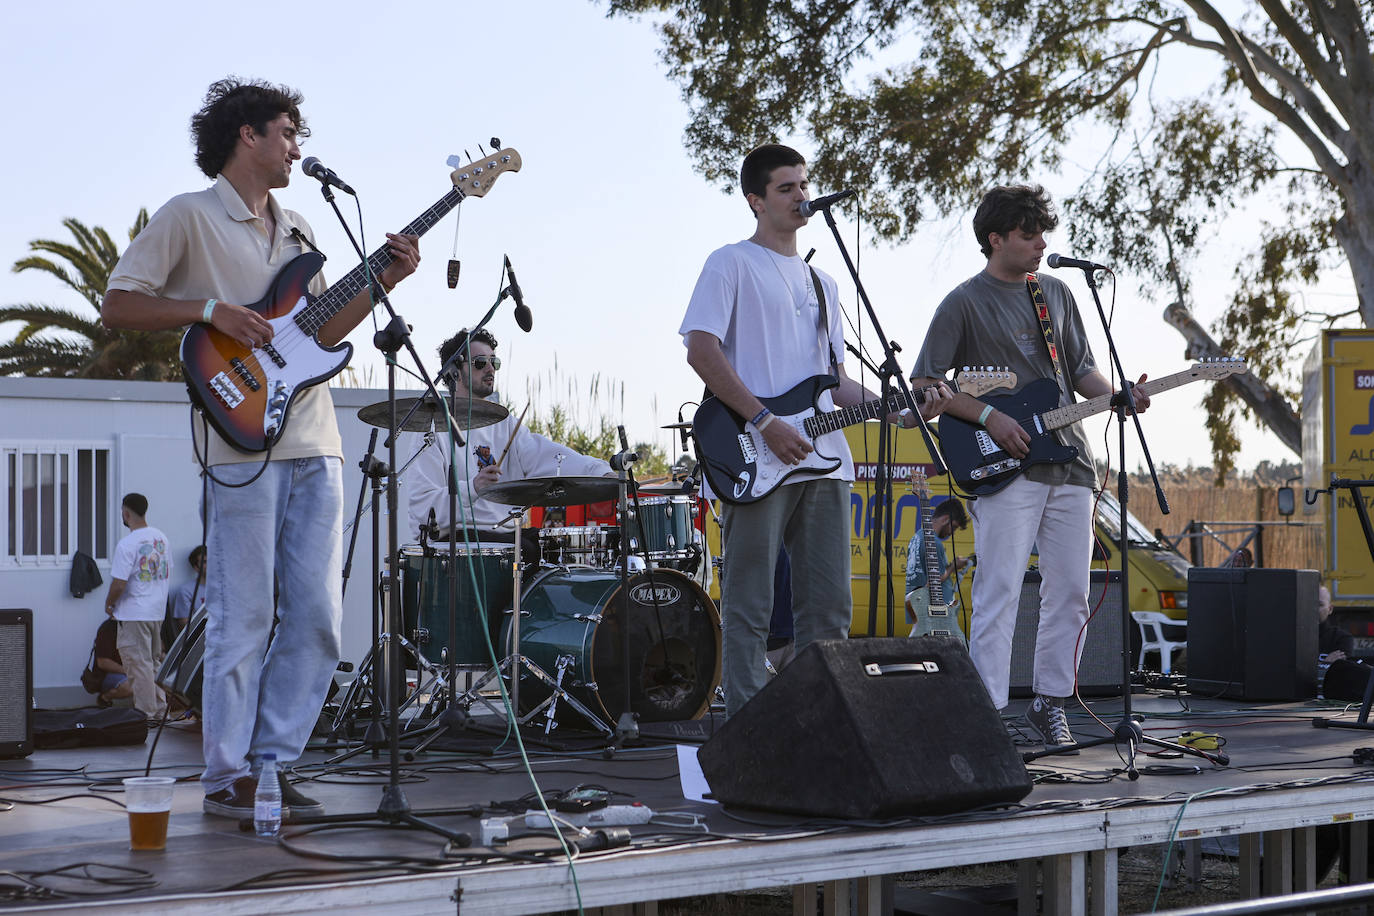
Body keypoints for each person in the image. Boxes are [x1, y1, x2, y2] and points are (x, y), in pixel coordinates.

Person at [101, 78, 420, 819]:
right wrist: (211, 310)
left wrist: (385, 279)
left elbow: (318, 336)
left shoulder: (304, 228)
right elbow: (119, 302)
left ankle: (272, 765)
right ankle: (225, 773)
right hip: (239, 447)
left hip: (316, 441)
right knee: (242, 617)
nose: (296, 148)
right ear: (247, 135)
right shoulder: (189, 215)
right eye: (286, 133)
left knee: (316, 616)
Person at [680, 143, 950, 717]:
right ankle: (751, 722)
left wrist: (898, 409)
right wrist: (764, 421)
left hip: (826, 458)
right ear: (755, 200)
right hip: (755, 451)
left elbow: (834, 383)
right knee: (752, 600)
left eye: (804, 185)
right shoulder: (730, 263)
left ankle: (818, 715)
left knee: (829, 606)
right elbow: (701, 351)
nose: (802, 196)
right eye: (786, 188)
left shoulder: (825, 282)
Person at [910, 184, 1149, 751]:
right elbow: (925, 385)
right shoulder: (963, 302)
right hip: (1005, 468)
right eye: (1028, 234)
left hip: (1072, 464)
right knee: (1000, 591)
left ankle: (1049, 704)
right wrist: (989, 416)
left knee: (1069, 591)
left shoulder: (1058, 294)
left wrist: (1121, 395)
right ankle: (989, 714)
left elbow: (1083, 373)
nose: (1042, 243)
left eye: (1043, 232)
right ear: (996, 239)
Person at [405, 327, 611, 542]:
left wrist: (600, 472)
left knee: (553, 546)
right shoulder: (432, 429)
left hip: (508, 538)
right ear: (454, 371)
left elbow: (551, 457)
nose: (490, 369)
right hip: (457, 546)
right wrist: (474, 488)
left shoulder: (505, 424)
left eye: (494, 363)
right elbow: (424, 509)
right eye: (480, 362)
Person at [104, 493, 171, 719]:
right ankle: (160, 710)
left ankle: (146, 715)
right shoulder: (161, 539)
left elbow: (119, 583)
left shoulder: (128, 543)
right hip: (156, 611)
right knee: (151, 664)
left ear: (126, 513)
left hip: (134, 613)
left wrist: (109, 604)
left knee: (137, 665)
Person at [904, 498, 971, 637]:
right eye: (954, 527)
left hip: (919, 607)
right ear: (946, 519)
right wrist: (953, 567)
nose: (952, 532)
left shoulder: (917, 537)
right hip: (935, 611)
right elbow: (935, 579)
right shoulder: (933, 541)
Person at [92, 617, 133, 707]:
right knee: (132, 686)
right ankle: (105, 698)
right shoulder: (107, 629)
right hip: (106, 674)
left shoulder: (135, 626)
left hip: (130, 669)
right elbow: (103, 663)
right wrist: (129, 671)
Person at [169, 545, 208, 636]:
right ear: (196, 567)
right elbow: (185, 626)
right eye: (205, 562)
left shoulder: (223, 588)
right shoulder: (186, 591)